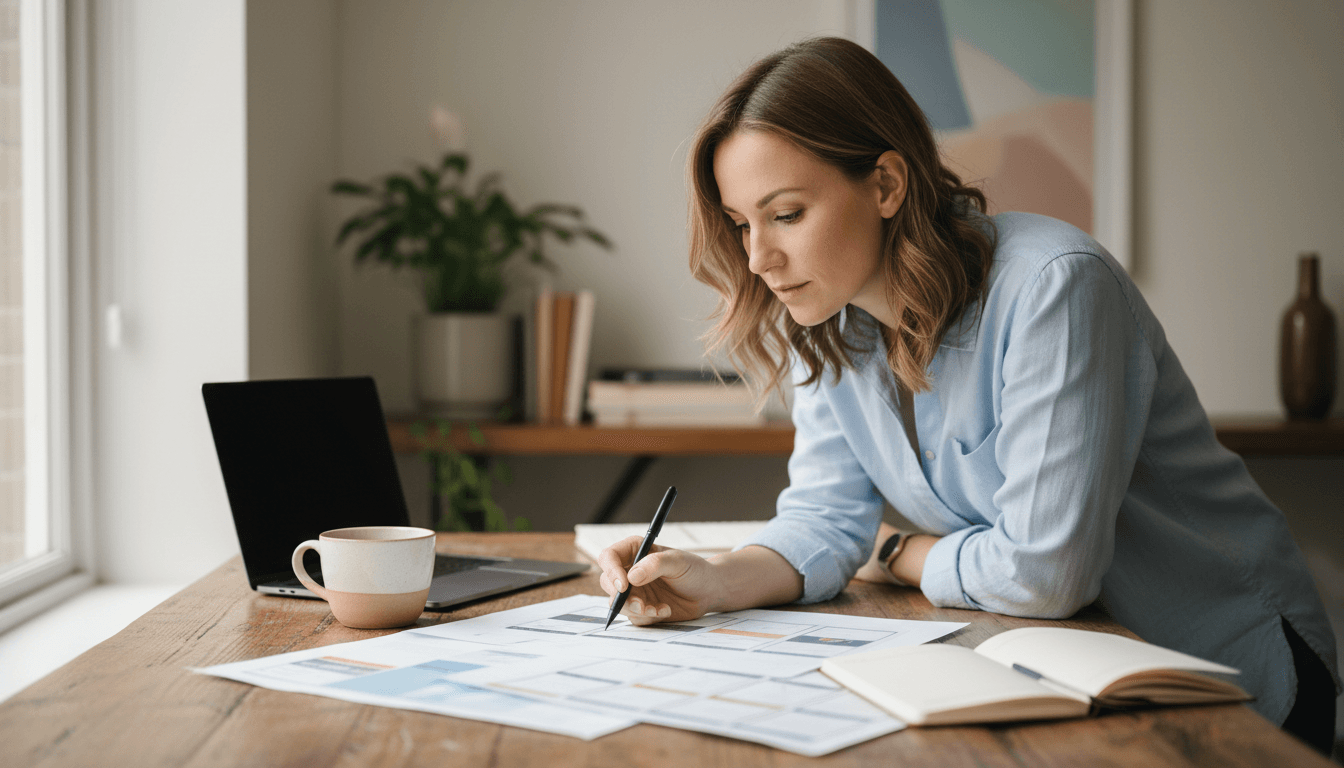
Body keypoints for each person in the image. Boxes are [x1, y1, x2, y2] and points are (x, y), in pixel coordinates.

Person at [596, 37, 1339, 753]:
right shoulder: (823, 319)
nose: (759, 258)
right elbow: (824, 518)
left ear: (886, 185)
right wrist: (715, 580)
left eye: (786, 214)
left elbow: (1045, 572)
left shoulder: (1054, 286)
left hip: (1228, 677)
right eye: (741, 224)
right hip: (1065, 675)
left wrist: (900, 550)